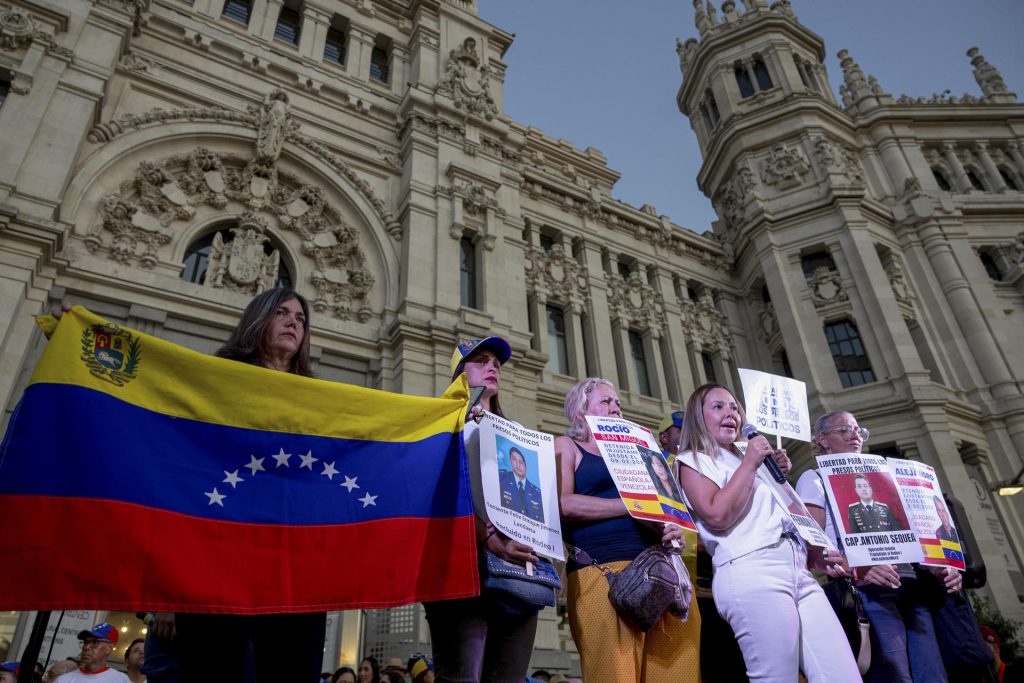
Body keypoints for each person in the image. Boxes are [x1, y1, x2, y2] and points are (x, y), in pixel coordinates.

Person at [174, 288, 327, 683]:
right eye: (282, 313)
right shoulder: (217, 378)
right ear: (258, 319)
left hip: (294, 565)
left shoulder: (320, 398)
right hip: (219, 554)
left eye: (302, 319)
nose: (295, 322)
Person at [676, 384, 858, 683]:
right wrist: (750, 463)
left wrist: (813, 553)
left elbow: (780, 517)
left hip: (799, 573)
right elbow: (717, 515)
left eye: (734, 407)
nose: (730, 413)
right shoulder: (694, 460)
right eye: (718, 407)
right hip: (751, 571)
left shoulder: (756, 460)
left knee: (842, 675)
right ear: (699, 416)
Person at [796, 410, 962, 683]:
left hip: (911, 584)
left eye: (859, 430)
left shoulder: (884, 477)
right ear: (823, 440)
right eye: (845, 430)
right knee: (893, 674)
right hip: (866, 590)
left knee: (932, 675)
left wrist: (940, 566)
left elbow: (917, 530)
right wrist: (857, 568)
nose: (855, 436)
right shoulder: (813, 478)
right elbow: (812, 544)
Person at [556, 377, 699, 683]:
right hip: (602, 570)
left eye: (617, 402)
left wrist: (668, 525)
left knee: (675, 674)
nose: (616, 407)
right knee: (614, 674)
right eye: (605, 401)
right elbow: (563, 503)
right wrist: (629, 505)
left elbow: (660, 507)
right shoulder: (566, 446)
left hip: (660, 573)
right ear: (581, 410)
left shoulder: (639, 453)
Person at [423, 337, 541, 683]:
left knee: (508, 676)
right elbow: (440, 494)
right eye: (481, 360)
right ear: (459, 374)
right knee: (461, 676)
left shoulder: (517, 437)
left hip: (516, 567)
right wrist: (486, 534)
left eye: (497, 363)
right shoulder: (439, 425)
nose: (493, 367)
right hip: (460, 566)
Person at [55, 623, 130, 682]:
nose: (86, 647)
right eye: (86, 642)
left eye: (94, 642)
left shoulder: (122, 680)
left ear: (108, 649)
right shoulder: (63, 680)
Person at [498, 446, 545, 522]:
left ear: (526, 468)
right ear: (510, 461)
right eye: (514, 459)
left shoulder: (537, 493)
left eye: (521, 462)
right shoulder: (501, 478)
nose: (518, 464)